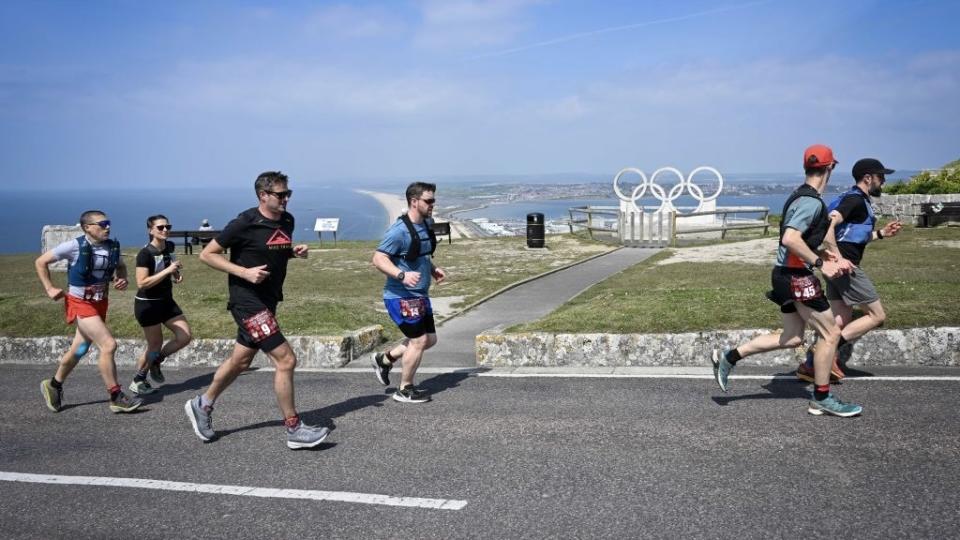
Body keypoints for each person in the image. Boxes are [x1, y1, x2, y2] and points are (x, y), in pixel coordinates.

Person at [711, 145, 863, 417]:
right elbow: (791, 239)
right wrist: (819, 264)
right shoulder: (811, 202)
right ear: (830, 168)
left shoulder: (798, 197)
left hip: (783, 274)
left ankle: (729, 356)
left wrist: (833, 259)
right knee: (831, 334)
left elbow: (811, 239)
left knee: (793, 337)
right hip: (796, 276)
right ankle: (822, 397)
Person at [184, 171, 328, 449]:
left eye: (289, 194)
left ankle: (202, 404)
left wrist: (292, 252)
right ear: (263, 195)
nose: (286, 199)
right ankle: (294, 429)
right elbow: (207, 254)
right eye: (281, 194)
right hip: (246, 301)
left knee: (241, 362)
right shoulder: (244, 222)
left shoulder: (287, 220)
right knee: (285, 360)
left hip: (269, 300)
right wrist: (244, 272)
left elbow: (273, 248)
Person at [795, 158, 903, 382]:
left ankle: (809, 367)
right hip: (844, 268)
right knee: (876, 315)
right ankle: (820, 353)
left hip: (836, 268)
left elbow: (852, 237)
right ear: (868, 178)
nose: (883, 183)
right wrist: (840, 259)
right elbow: (828, 227)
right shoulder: (854, 200)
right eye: (881, 178)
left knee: (841, 319)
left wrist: (882, 234)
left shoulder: (856, 200)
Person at [36, 210, 142, 413]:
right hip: (80, 303)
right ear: (87, 228)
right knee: (108, 345)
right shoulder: (74, 246)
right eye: (102, 224)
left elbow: (120, 266)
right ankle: (115, 395)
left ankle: (54, 385)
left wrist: (122, 277)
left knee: (80, 349)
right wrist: (49, 288)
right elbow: (40, 262)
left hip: (100, 302)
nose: (107, 227)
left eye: (108, 223)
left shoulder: (112, 246)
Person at [371, 181, 447, 403]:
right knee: (419, 340)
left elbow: (421, 254)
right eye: (429, 200)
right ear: (414, 202)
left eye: (433, 200)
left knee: (430, 339)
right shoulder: (399, 231)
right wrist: (401, 275)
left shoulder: (425, 223)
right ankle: (404, 389)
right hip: (400, 296)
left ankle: (384, 360)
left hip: (420, 294)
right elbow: (378, 258)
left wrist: (433, 270)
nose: (433, 204)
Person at [129, 214, 193, 395]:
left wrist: (175, 274)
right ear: (151, 230)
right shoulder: (145, 254)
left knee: (185, 336)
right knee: (154, 345)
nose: (165, 230)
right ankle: (139, 379)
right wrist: (168, 271)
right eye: (160, 227)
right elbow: (142, 283)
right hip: (148, 305)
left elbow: (169, 263)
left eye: (168, 226)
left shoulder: (169, 246)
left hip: (166, 302)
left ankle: (157, 361)